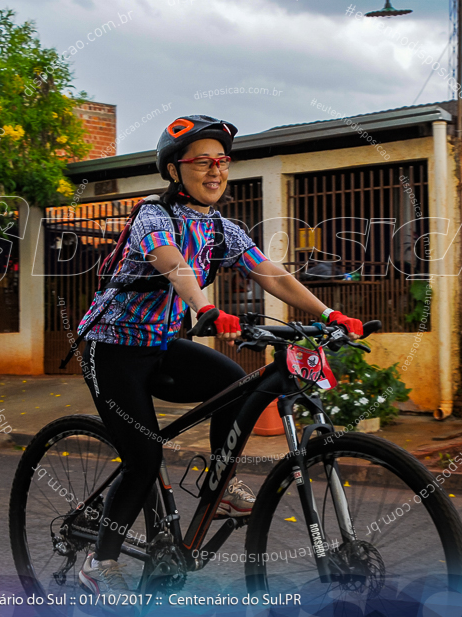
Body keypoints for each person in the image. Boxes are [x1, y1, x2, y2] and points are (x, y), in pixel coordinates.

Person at [75, 115, 365, 596]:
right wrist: (205, 306)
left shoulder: (220, 228)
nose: (216, 171)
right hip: (112, 351)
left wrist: (329, 312)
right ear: (175, 171)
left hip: (162, 347)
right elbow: (171, 261)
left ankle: (221, 483)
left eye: (222, 161)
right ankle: (99, 561)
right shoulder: (153, 215)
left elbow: (269, 272)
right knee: (144, 458)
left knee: (236, 385)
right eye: (202, 162)